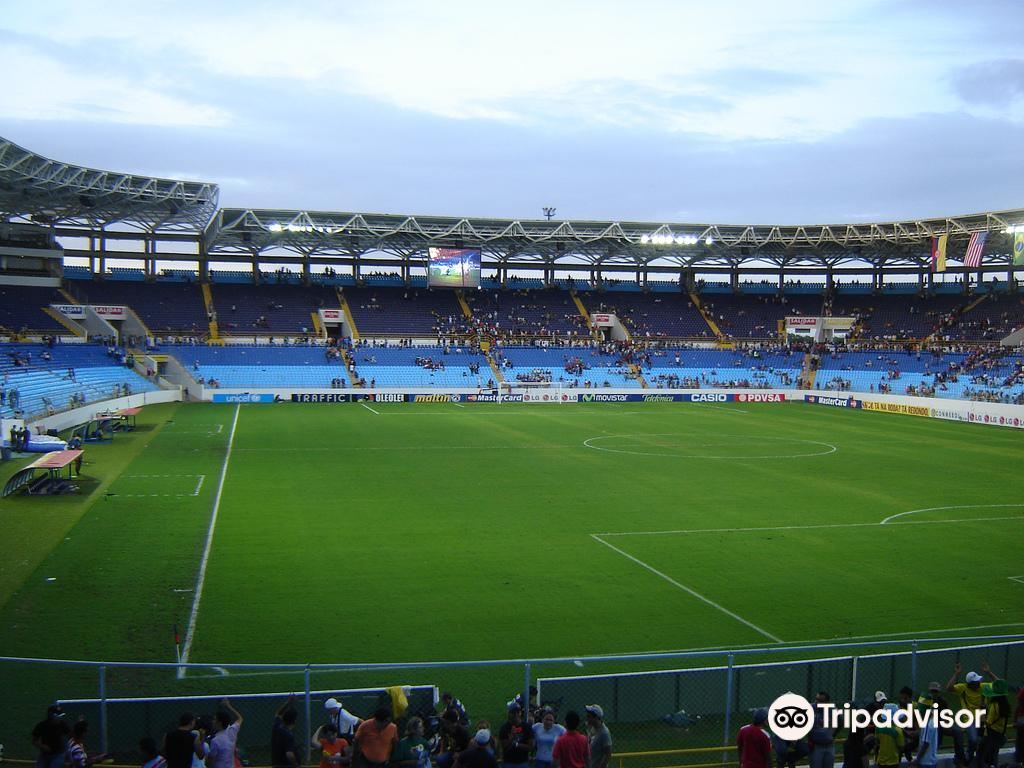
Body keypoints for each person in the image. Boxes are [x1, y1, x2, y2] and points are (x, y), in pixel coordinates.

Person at [946, 663, 994, 767]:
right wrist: (957, 674)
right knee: (973, 739)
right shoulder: (963, 688)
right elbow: (949, 688)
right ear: (970, 684)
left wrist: (989, 672)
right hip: (969, 719)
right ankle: (969, 756)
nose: (979, 682)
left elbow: (1000, 685)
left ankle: (976, 759)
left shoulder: (983, 687)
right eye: (976, 681)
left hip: (982, 719)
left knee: (984, 740)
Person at [974, 679, 1010, 768]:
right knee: (994, 755)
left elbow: (989, 722)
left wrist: (983, 714)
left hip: (990, 734)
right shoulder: (1005, 704)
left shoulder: (994, 705)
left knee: (982, 754)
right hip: (1000, 734)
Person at [207, 699, 244, 768]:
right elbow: (240, 718)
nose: (212, 721)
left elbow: (211, 760)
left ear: (219, 723)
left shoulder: (215, 741)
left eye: (215, 719)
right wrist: (229, 706)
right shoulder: (232, 730)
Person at [271, 696, 301, 768]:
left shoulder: (277, 726)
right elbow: (289, 754)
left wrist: (288, 702)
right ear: (294, 720)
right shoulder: (288, 735)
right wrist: (296, 766)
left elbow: (278, 714)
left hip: (276, 764)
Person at [809, 691, 837, 768]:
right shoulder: (810, 708)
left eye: (820, 701)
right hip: (816, 746)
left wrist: (832, 735)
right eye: (816, 699)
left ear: (827, 703)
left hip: (829, 745)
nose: (817, 702)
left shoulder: (832, 710)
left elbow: (839, 722)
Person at [912, 697, 940, 768]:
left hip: (926, 762)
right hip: (931, 761)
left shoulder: (928, 724)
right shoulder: (932, 721)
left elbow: (925, 743)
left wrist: (917, 759)